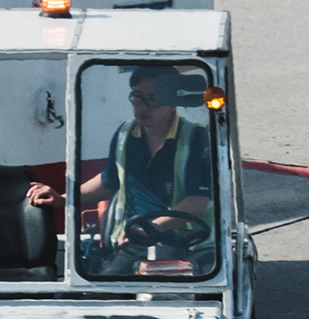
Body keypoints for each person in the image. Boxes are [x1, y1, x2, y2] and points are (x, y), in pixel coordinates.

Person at [27, 66, 212, 250]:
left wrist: (153, 227)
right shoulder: (125, 135)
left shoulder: (196, 137)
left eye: (153, 99)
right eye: (137, 97)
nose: (142, 107)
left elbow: (198, 202)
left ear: (173, 101)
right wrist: (63, 199)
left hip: (189, 243)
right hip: (135, 241)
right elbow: (109, 182)